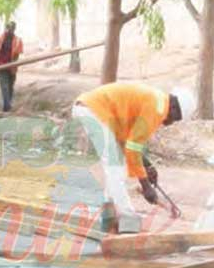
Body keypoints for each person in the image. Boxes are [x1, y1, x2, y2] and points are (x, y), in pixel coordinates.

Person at [72, 82, 196, 231]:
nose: (170, 123)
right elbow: (132, 148)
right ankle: (127, 220)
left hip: (92, 109)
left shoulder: (158, 101)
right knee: (115, 166)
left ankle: (109, 217)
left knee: (116, 168)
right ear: (174, 108)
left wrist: (148, 165)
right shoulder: (156, 109)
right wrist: (146, 185)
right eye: (175, 118)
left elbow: (130, 143)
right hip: (93, 110)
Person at [0, 21, 24, 112]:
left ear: (14, 29)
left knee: (10, 86)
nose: (10, 30)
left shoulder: (18, 40)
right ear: (6, 28)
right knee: (4, 85)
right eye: (8, 28)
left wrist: (13, 66)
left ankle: (8, 103)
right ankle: (7, 107)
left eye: (12, 28)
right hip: (0, 65)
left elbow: (16, 55)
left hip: (12, 66)